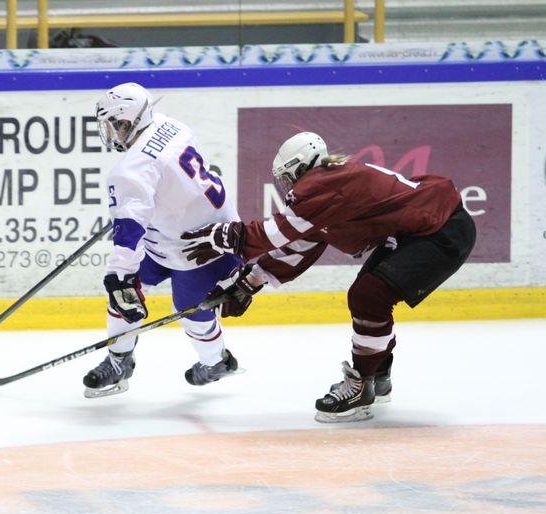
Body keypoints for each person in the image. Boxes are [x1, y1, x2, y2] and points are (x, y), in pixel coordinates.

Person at [180, 131, 476, 422]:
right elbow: (299, 247)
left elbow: (277, 233)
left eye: (287, 177)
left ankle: (361, 385)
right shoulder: (328, 187)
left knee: (369, 297)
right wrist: (249, 282)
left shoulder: (323, 183)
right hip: (424, 228)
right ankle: (376, 376)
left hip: (441, 232)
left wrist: (225, 236)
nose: (287, 186)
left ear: (300, 167)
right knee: (368, 295)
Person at [82, 82, 244, 398]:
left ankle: (216, 362)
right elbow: (169, 181)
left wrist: (119, 276)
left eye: (113, 125)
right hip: (209, 226)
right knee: (128, 292)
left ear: (127, 122)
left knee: (186, 308)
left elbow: (129, 233)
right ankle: (119, 361)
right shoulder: (172, 125)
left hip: (200, 248)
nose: (110, 133)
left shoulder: (130, 171)